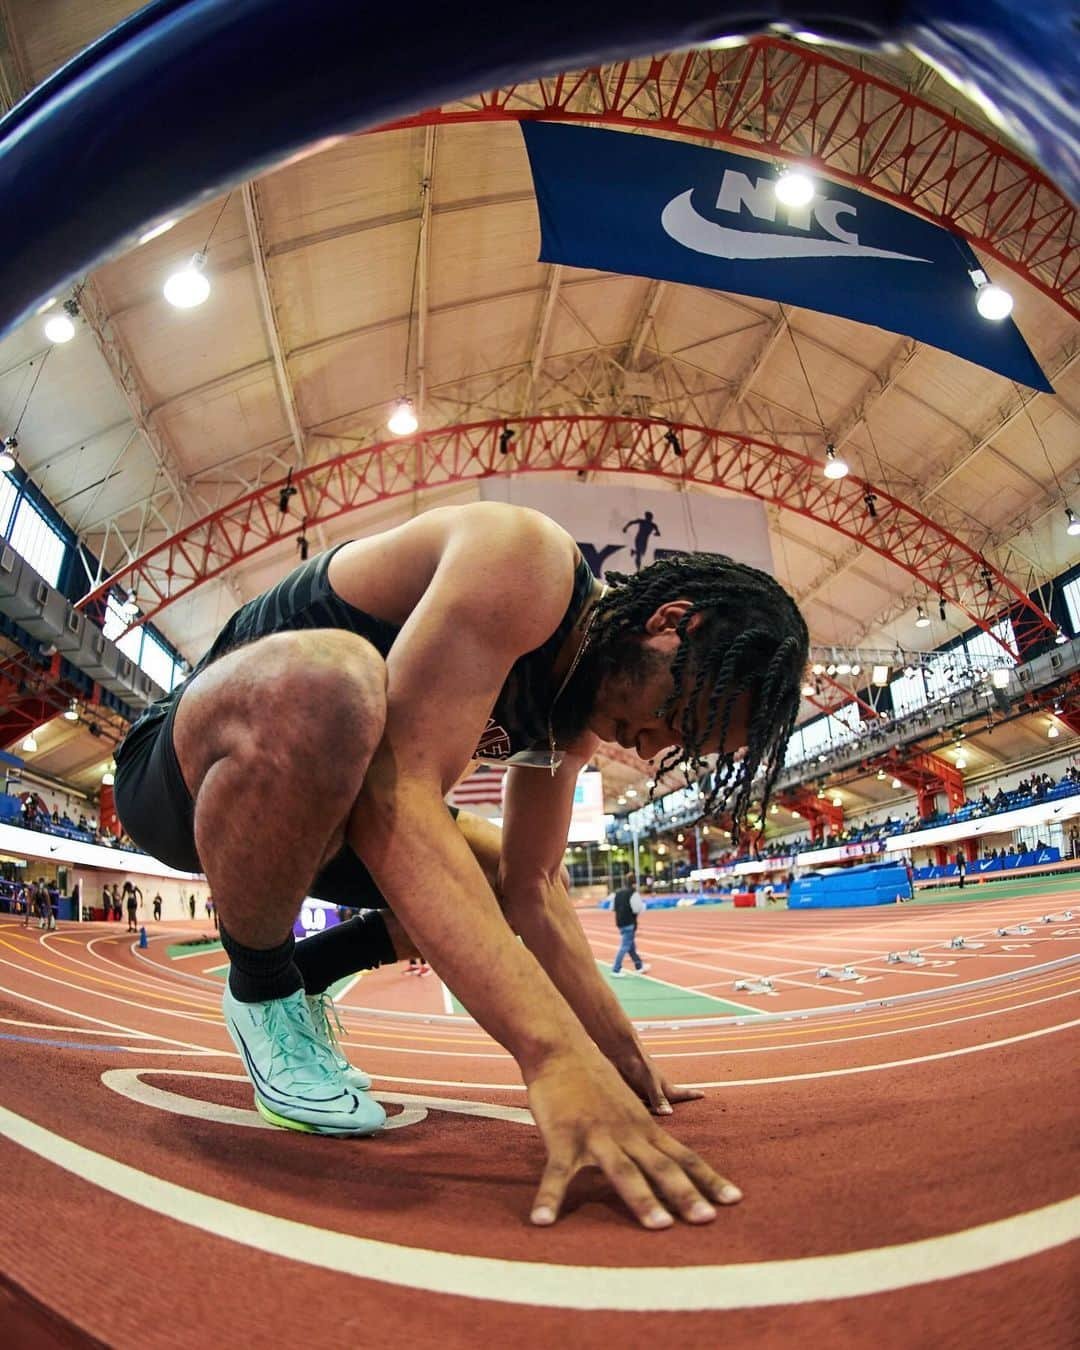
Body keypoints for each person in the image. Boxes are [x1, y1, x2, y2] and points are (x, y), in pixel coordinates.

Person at [113, 502, 808, 1230]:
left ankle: (310, 976)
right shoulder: (526, 561)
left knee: (501, 871)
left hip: (325, 817)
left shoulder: (572, 722)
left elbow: (532, 891)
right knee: (339, 681)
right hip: (187, 777)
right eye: (683, 718)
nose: (656, 747)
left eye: (685, 748)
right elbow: (396, 801)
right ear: (674, 623)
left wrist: (616, 1054)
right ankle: (262, 989)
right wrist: (551, 1056)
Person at [610, 875, 649, 977]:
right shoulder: (633, 893)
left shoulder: (617, 893)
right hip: (629, 923)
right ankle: (616, 969)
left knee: (631, 947)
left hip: (620, 922)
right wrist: (643, 906)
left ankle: (639, 966)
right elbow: (637, 908)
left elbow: (612, 907)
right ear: (634, 883)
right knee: (625, 946)